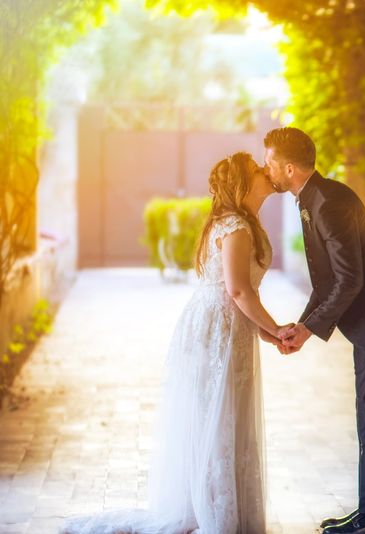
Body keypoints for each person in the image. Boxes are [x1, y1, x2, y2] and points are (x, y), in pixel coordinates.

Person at [62, 152, 288, 533]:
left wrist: (266, 332)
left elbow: (241, 293)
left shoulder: (240, 223)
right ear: (242, 185)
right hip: (217, 330)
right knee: (217, 416)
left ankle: (218, 509)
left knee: (223, 414)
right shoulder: (234, 226)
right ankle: (215, 513)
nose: (267, 173)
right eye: (257, 171)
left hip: (229, 326)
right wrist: (279, 329)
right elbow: (237, 290)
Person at [264, 127, 365, 534]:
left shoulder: (327, 203)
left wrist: (309, 330)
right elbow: (327, 280)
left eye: (270, 163)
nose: (267, 170)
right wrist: (303, 323)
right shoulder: (313, 197)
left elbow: (349, 280)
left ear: (289, 167)